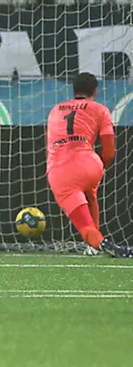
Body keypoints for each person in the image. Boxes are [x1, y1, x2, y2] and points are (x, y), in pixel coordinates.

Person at [46, 72, 129, 258]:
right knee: (90, 195)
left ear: (73, 89)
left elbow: (51, 145)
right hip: (89, 163)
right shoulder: (100, 109)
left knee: (83, 224)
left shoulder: (55, 110)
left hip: (60, 170)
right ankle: (93, 246)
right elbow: (109, 151)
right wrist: (101, 165)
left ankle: (99, 243)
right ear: (95, 91)